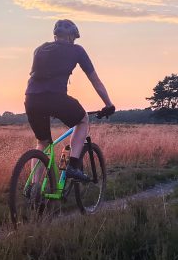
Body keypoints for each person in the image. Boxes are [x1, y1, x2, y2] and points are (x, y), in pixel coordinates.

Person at [24, 19, 115, 181]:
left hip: (31, 99)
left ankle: (34, 188)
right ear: (70, 36)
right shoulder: (76, 50)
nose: (73, 40)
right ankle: (72, 166)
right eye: (73, 37)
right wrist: (109, 104)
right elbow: (95, 81)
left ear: (56, 35)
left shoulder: (40, 49)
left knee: (42, 143)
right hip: (55, 98)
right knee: (82, 120)